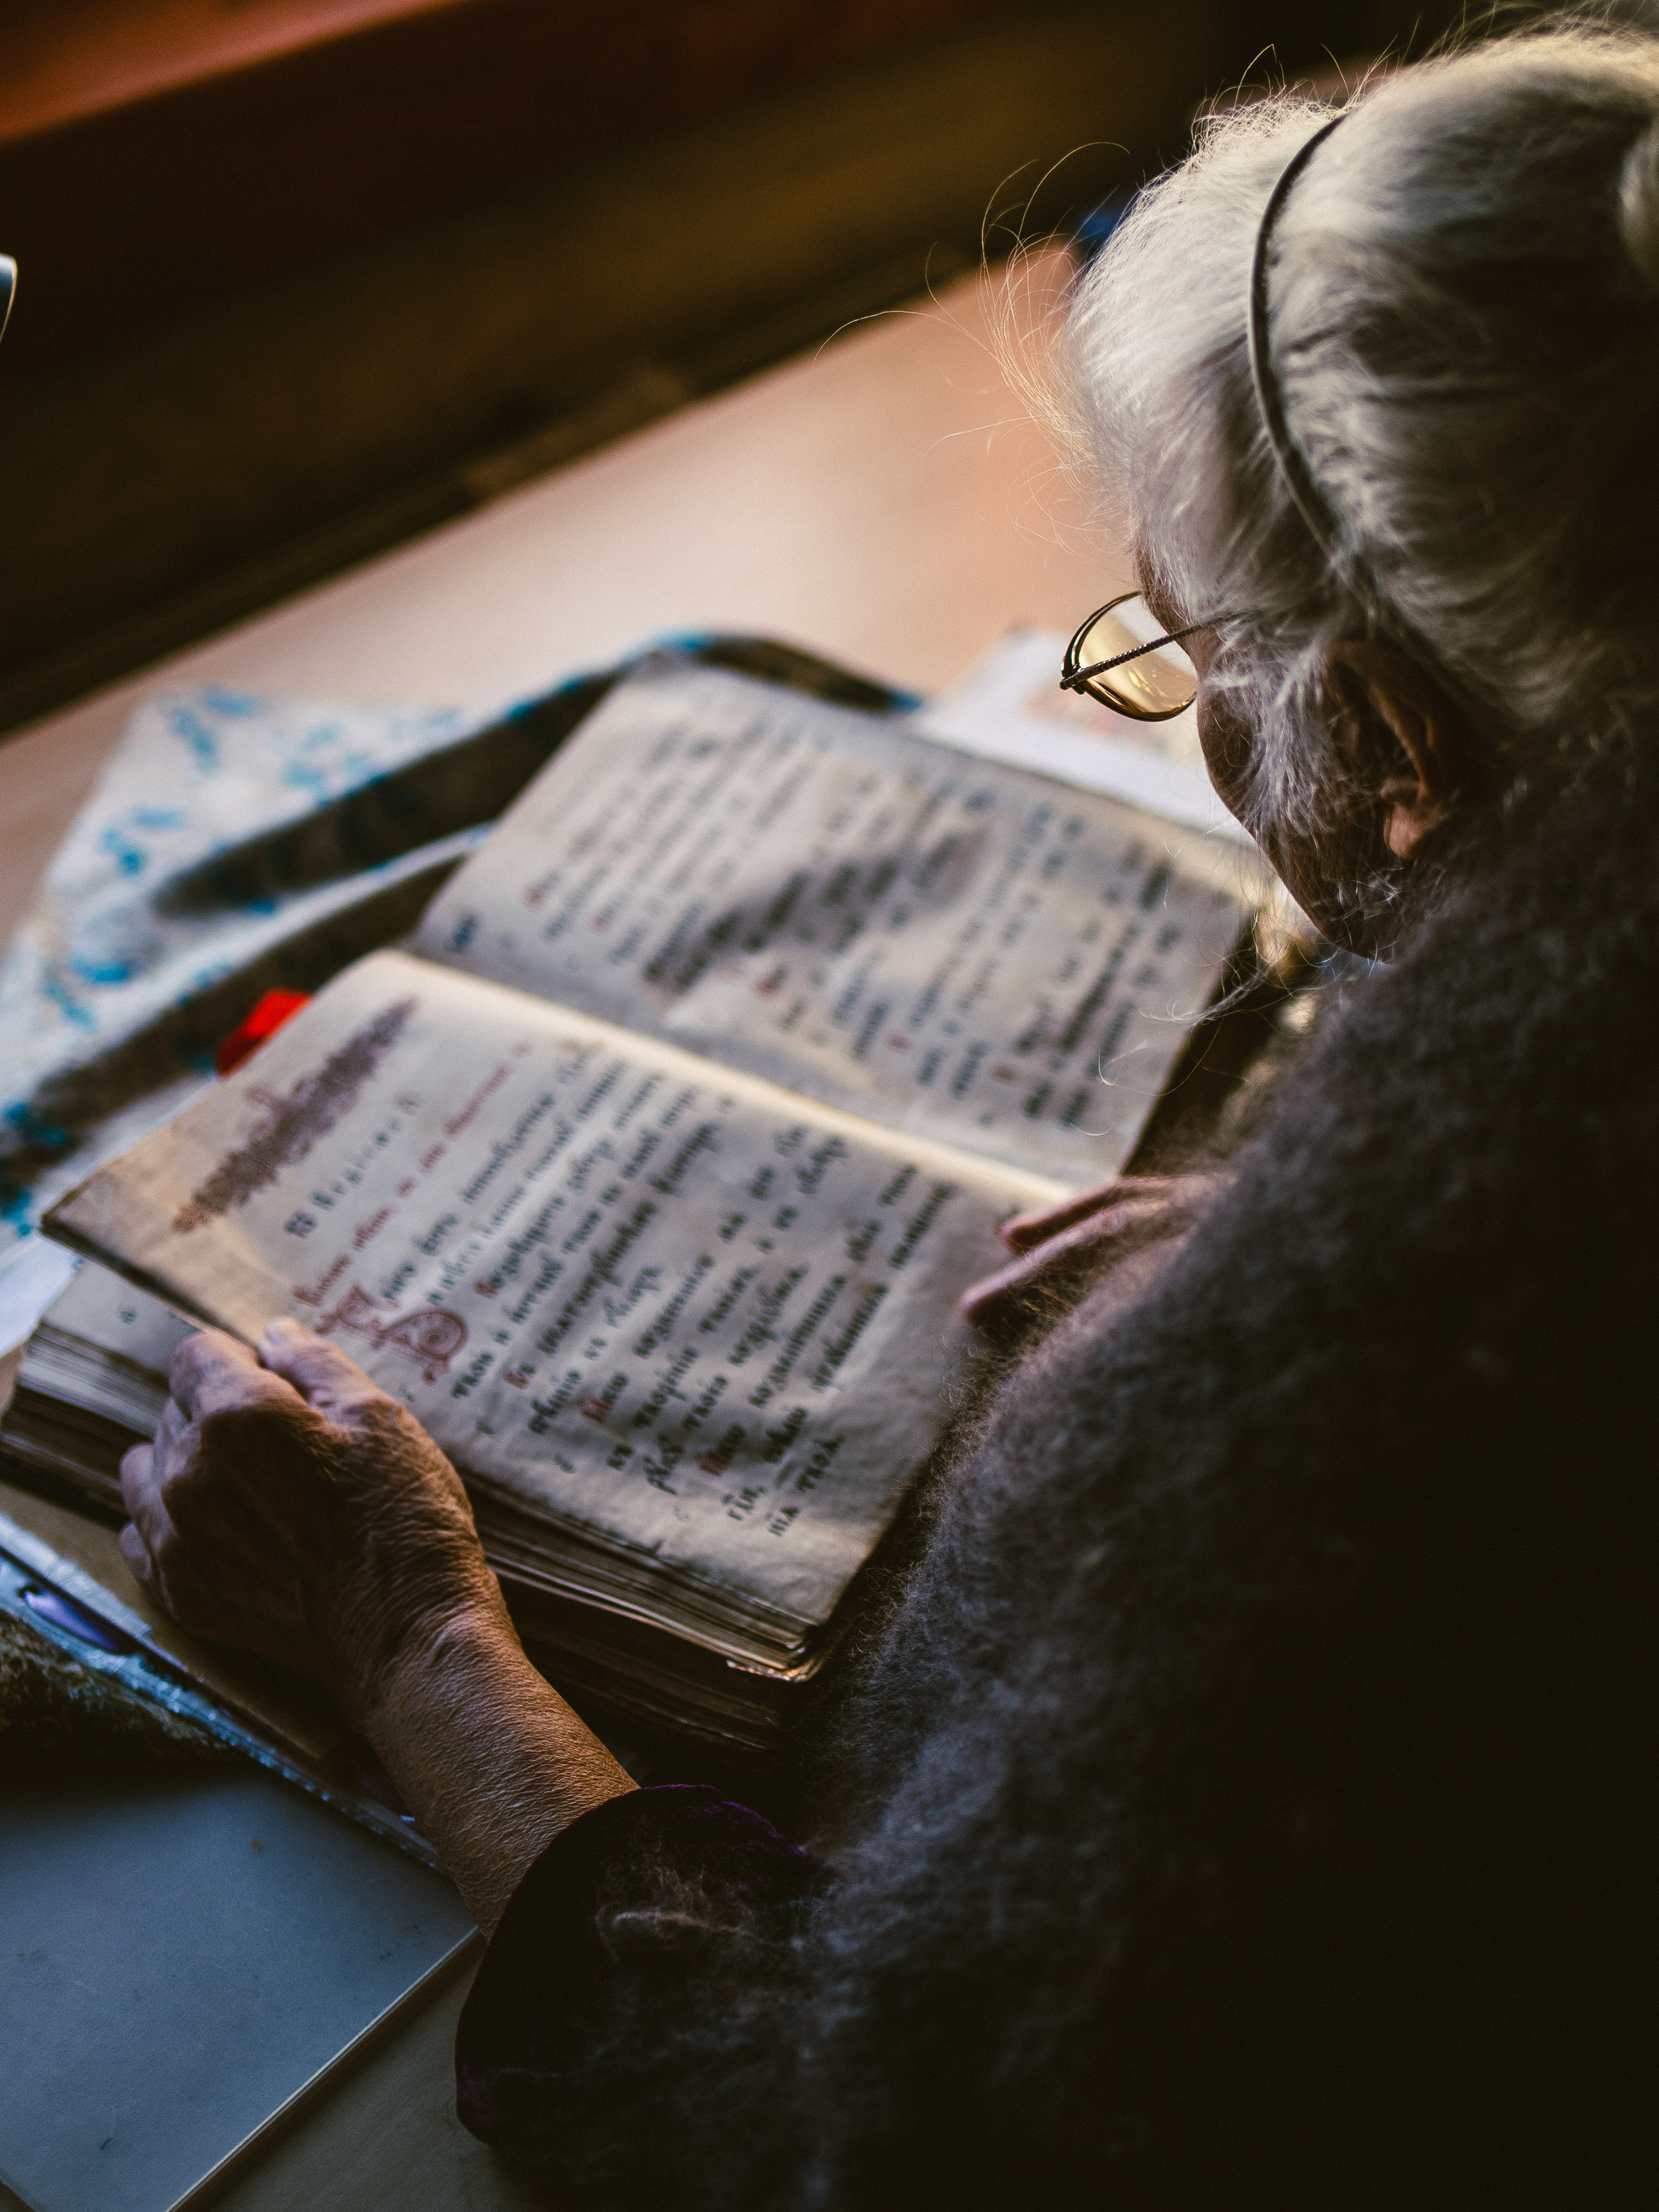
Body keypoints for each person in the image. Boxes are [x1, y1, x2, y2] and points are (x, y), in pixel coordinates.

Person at [117, 24, 1657, 2206]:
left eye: (1185, 642)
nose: (1174, 696)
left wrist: (418, 1644)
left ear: (1398, 735)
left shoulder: (1396, 1478)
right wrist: (1295, 1221)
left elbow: (865, 2148)